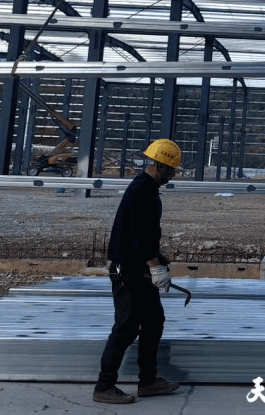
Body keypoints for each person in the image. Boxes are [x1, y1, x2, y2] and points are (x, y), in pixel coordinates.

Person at [93, 139, 184, 404]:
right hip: (129, 272)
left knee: (154, 321)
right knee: (126, 328)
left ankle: (148, 381)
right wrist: (156, 268)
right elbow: (141, 237)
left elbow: (149, 236)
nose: (173, 175)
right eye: (171, 169)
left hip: (140, 269)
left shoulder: (148, 189)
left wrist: (159, 261)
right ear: (159, 165)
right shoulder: (142, 191)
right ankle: (104, 386)